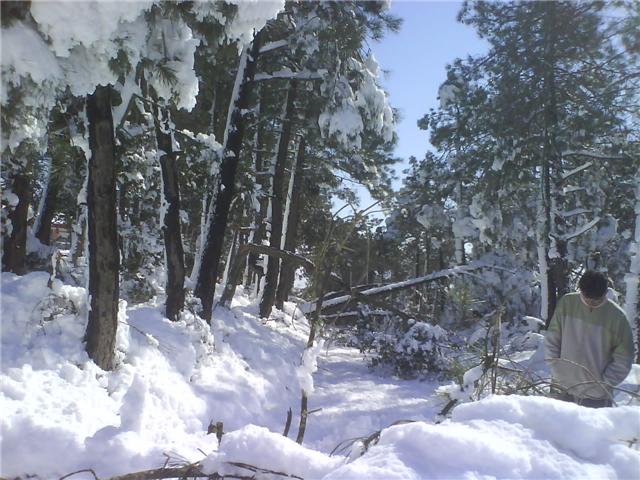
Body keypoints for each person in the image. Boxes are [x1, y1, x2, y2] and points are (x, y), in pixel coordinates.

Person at [544, 270, 635, 408]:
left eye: (597, 299)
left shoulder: (617, 318)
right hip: (562, 389)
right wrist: (557, 371)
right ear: (580, 290)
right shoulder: (567, 303)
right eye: (587, 298)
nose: (591, 302)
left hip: (596, 398)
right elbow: (552, 340)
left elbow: (623, 359)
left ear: (605, 294)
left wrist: (602, 385)